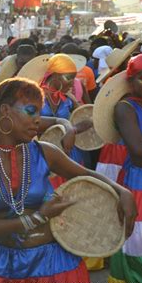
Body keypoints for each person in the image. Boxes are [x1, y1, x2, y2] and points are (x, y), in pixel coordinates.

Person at [0, 78, 137, 283]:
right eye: (31, 111)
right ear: (5, 111)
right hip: (6, 267)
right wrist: (39, 217)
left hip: (57, 266)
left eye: (39, 113)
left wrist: (122, 191)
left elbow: (88, 175)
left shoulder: (44, 152)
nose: (37, 121)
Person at [108, 53, 142, 283]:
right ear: (131, 80)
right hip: (141, 183)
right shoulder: (125, 108)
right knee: (141, 244)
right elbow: (138, 151)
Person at [38, 54, 92, 187]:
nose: (72, 83)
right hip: (44, 154)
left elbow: (88, 121)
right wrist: (65, 126)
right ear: (54, 75)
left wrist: (72, 130)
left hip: (69, 153)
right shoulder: (36, 96)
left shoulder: (68, 99)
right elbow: (32, 122)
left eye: (74, 78)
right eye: (69, 78)